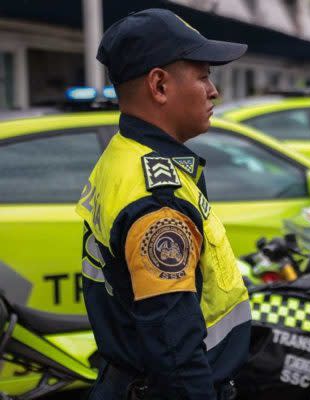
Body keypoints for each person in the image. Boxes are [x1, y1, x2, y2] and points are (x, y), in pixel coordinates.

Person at [75, 8, 251, 399]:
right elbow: (175, 353)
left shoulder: (125, 155)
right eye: (204, 74)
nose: (213, 90)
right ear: (159, 85)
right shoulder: (158, 200)